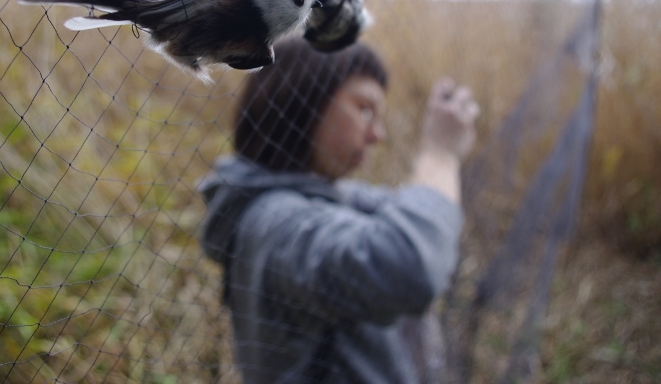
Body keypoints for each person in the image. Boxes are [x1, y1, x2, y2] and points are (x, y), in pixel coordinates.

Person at [199, 37, 479, 383]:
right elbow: (412, 263)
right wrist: (439, 155)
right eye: (364, 109)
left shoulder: (321, 193)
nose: (377, 134)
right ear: (301, 101)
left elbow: (425, 219)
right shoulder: (275, 223)